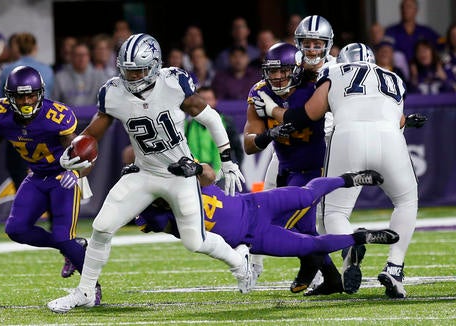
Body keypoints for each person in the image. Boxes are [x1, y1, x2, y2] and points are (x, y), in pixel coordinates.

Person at [47, 33, 247, 313]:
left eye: (138, 70)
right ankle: (85, 291)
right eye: (126, 70)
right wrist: (75, 150)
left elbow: (211, 117)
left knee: (195, 241)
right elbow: (94, 132)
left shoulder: (173, 82)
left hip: (179, 173)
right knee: (102, 227)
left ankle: (239, 261)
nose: (131, 77)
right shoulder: (113, 91)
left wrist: (227, 159)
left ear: (154, 65)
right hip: (144, 172)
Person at [279, 43, 425, 298]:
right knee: (406, 201)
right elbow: (398, 120)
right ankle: (395, 267)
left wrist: (279, 113)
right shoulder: (393, 77)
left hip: (349, 137)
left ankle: (351, 242)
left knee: (333, 212)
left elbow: (311, 113)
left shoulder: (334, 71)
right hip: (390, 138)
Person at [135, 159, 399, 288]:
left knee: (307, 194)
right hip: (254, 238)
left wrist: (192, 167)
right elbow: (163, 227)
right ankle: (361, 237)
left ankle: (349, 179)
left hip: (255, 204)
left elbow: (209, 173)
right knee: (310, 245)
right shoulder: (158, 215)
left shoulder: (178, 177)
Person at [0, 65, 102, 303]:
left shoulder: (56, 116)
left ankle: (92, 287)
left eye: (31, 95)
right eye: (20, 96)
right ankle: (70, 248)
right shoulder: (1, 113)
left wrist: (76, 174)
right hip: (37, 176)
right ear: (9, 96)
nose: (26, 101)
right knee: (16, 230)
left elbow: (84, 155)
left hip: (62, 178)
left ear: (41, 93)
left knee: (63, 236)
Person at [244, 41, 338, 295]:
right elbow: (249, 144)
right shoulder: (260, 92)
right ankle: (330, 277)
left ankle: (313, 263)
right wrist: (268, 134)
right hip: (286, 168)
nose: (276, 76)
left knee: (285, 224)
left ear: (296, 68)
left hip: (315, 166)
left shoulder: (313, 88)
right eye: (272, 71)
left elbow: (306, 117)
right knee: (303, 228)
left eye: (283, 70)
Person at [0, 32, 56, 189]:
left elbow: (2, 101)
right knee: (47, 169)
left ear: (17, 47)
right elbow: (52, 99)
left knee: (16, 170)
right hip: (44, 126)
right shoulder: (48, 71)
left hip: (16, 126)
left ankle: (25, 203)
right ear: (35, 48)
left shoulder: (7, 70)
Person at [185, 86, 244, 173]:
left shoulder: (226, 122)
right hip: (195, 173)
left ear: (215, 101)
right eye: (202, 99)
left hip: (221, 174)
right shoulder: (188, 123)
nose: (206, 103)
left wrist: (235, 169)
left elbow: (237, 148)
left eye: (209, 99)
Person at [52, 42, 107, 107]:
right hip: (67, 115)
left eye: (84, 55)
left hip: (94, 115)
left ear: (89, 57)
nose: (82, 58)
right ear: (71, 57)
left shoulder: (100, 76)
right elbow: (54, 102)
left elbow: (106, 102)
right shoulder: (60, 77)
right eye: (78, 55)